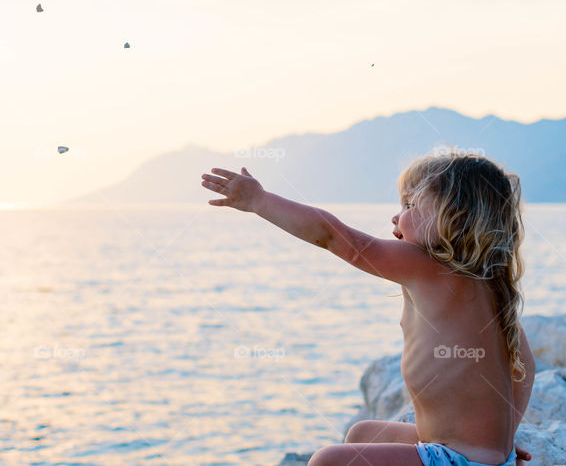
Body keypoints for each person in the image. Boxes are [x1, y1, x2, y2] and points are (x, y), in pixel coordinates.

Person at [200, 150, 535, 466]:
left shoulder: (427, 267)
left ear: (454, 215)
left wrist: (260, 200)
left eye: (410, 204)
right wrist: (501, 441)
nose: (396, 215)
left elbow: (335, 237)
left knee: (327, 461)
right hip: (474, 455)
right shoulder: (490, 286)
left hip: (457, 460)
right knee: (362, 434)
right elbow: (526, 367)